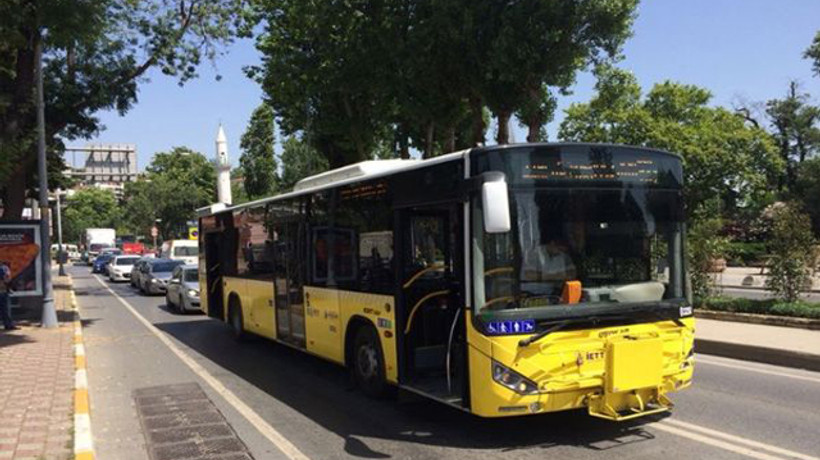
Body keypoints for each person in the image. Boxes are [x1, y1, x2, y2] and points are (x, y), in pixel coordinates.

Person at [0, 260, 17, 330]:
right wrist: (12, 286)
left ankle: (8, 324)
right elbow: (6, 279)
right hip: (2, 291)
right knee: (5, 309)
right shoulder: (4, 268)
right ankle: (8, 324)